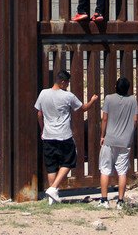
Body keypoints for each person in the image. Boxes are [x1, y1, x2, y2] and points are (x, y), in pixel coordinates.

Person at [35, 70, 99, 204]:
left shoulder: (43, 93)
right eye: (67, 82)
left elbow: (39, 114)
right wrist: (92, 101)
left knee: (51, 166)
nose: (68, 85)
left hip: (48, 135)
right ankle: (53, 189)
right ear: (63, 82)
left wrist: (42, 129)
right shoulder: (68, 96)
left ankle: (52, 198)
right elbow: (84, 108)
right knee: (69, 161)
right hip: (64, 135)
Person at [97, 77, 138, 209]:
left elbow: (104, 119)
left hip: (110, 139)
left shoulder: (109, 98)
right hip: (125, 141)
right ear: (128, 88)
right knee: (122, 171)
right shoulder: (132, 100)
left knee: (105, 169)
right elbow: (135, 120)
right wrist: (129, 133)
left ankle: (104, 200)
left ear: (115, 86)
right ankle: (120, 201)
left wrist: (102, 135)